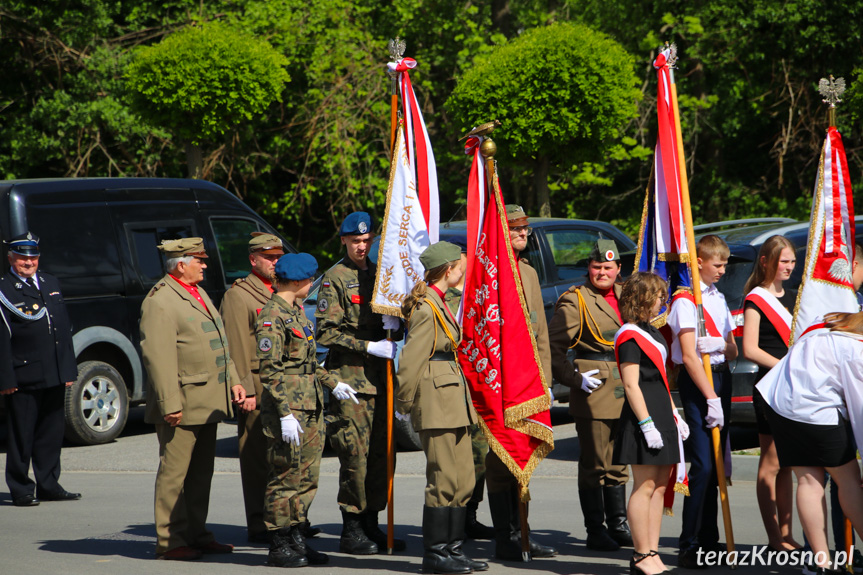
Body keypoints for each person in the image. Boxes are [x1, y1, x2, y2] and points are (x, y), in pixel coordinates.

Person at [140, 237, 246, 561]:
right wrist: (169, 403)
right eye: (198, 259)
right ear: (181, 264)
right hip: (182, 403)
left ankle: (198, 534)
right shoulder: (160, 301)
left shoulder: (194, 292)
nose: (204, 264)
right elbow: (158, 359)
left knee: (200, 474)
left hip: (206, 400)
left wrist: (235, 382)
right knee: (174, 475)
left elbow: (219, 343)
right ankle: (170, 542)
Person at [314, 211, 404, 554]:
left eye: (366, 241)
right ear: (344, 241)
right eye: (356, 241)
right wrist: (368, 345)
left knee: (383, 455)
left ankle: (372, 522)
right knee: (355, 456)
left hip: (382, 379)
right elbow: (326, 332)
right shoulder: (336, 278)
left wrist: (396, 325)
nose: (362, 246)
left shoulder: (381, 275)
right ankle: (351, 527)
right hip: (352, 380)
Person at [396, 241, 487, 574]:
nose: (463, 268)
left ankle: (453, 548)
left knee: (463, 479)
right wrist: (404, 403)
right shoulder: (426, 308)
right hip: (436, 399)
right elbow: (410, 361)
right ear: (448, 269)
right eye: (459, 265)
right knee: (443, 478)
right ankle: (435, 554)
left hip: (453, 397)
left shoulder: (440, 302)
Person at [756, 311, 863, 575]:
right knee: (848, 480)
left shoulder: (826, 325)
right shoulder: (857, 349)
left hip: (781, 405)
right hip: (815, 410)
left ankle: (820, 563)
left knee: (808, 480)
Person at [256, 252, 339, 568]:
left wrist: (334, 384)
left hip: (310, 406)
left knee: (307, 477)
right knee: (285, 476)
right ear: (298, 281)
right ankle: (279, 543)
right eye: (309, 279)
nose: (311, 285)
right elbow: (270, 370)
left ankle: (297, 538)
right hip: (289, 409)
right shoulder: (272, 316)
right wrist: (284, 413)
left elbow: (307, 364)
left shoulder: (297, 312)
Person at [549, 239, 632, 551]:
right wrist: (572, 379)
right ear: (588, 268)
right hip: (595, 388)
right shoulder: (575, 301)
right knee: (595, 464)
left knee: (619, 464)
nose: (602, 273)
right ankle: (596, 530)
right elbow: (554, 348)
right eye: (596, 267)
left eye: (608, 267)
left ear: (618, 269)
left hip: (626, 387)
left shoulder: (627, 295)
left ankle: (619, 524)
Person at [484, 205, 556, 562]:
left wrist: (546, 379)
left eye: (525, 228)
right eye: (514, 229)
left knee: (524, 457)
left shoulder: (526, 271)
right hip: (498, 381)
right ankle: (505, 537)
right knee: (501, 460)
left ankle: (522, 532)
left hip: (528, 382)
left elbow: (539, 330)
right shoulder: (487, 272)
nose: (522, 233)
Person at [667, 234, 738, 569]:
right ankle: (689, 542)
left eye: (725, 264)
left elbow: (733, 347)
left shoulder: (718, 298)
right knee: (704, 465)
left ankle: (710, 539)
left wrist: (721, 347)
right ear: (699, 262)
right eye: (717, 264)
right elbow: (689, 357)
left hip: (722, 377)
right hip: (699, 387)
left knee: (717, 466)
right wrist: (710, 398)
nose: (723, 270)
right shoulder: (685, 301)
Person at [613, 272, 686, 575]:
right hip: (643, 417)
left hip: (661, 412)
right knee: (643, 486)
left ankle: (653, 551)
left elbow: (661, 381)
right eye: (657, 296)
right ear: (641, 297)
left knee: (659, 487)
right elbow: (631, 384)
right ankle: (641, 554)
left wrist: (674, 414)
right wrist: (646, 424)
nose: (662, 301)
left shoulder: (652, 331)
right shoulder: (630, 335)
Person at [0, 232, 79, 507]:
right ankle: (21, 488)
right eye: (22, 257)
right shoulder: (4, 289)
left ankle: (49, 484)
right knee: (22, 435)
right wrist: (5, 377)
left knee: (51, 432)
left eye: (32, 257)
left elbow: (62, 331)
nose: (28, 262)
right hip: (23, 374)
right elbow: (1, 338)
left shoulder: (50, 282)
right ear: (11, 258)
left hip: (54, 372)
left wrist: (68, 370)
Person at [220, 232, 288, 544]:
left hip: (284, 384)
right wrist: (244, 389)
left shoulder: (282, 290)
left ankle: (286, 521)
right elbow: (234, 346)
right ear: (253, 259)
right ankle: (259, 523)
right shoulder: (240, 295)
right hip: (257, 387)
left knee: (284, 458)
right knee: (256, 457)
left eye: (278, 256)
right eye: (269, 257)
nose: (275, 262)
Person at [740, 235, 801, 552]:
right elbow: (750, 348)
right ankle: (774, 537)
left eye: (792, 261)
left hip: (795, 388)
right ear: (766, 261)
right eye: (783, 261)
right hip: (771, 387)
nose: (789, 267)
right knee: (773, 461)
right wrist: (785, 366)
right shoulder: (755, 299)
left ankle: (788, 534)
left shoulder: (795, 296)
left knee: (788, 464)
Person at [444, 242, 495, 541]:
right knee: (454, 457)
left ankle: (470, 514)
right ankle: (451, 518)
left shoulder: (481, 295)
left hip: (479, 385)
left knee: (479, 454)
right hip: (453, 386)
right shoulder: (443, 298)